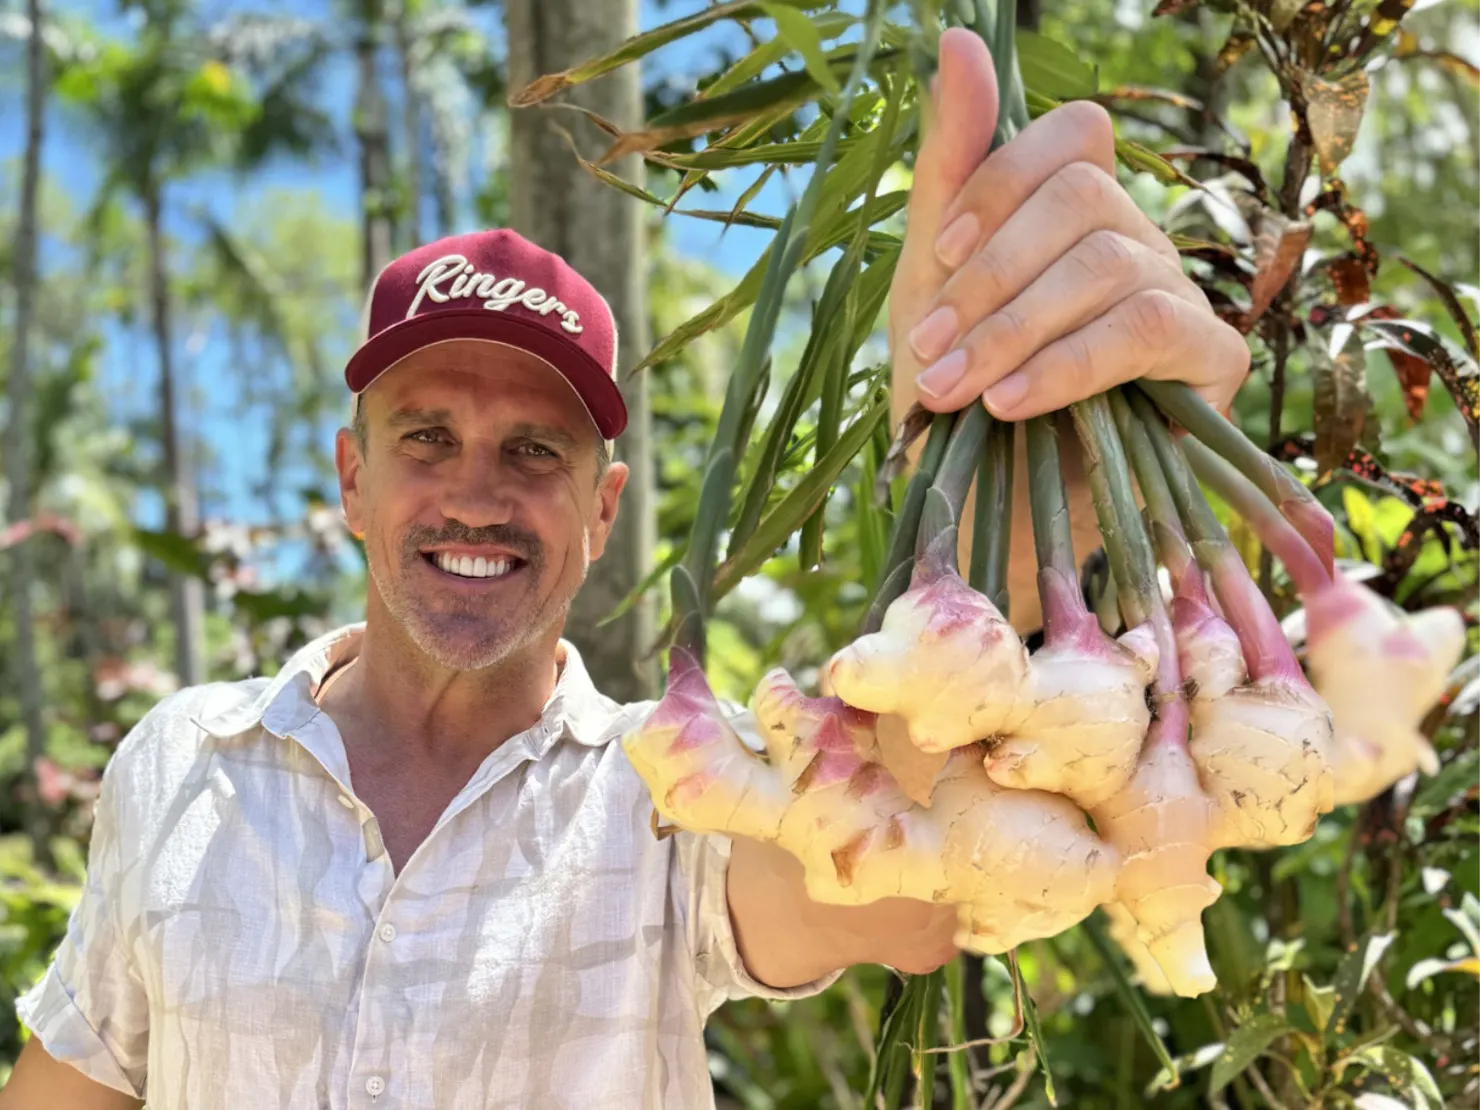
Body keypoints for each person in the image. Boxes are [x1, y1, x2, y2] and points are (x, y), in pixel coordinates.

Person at [0, 30, 1248, 1110]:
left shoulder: (670, 793)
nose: (476, 491)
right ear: (351, 479)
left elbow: (881, 880)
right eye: (425, 437)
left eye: (533, 450)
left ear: (601, 510)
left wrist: (1010, 540)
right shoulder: (178, 766)